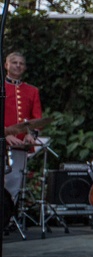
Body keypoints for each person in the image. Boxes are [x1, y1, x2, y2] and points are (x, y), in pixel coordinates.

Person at [4, 52, 42, 219]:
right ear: (6, 65)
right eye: (14, 62)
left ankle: (9, 217)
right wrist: (4, 135)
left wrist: (30, 135)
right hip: (2, 142)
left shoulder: (32, 91)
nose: (18, 65)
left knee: (15, 181)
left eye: (21, 63)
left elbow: (37, 118)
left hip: (20, 144)